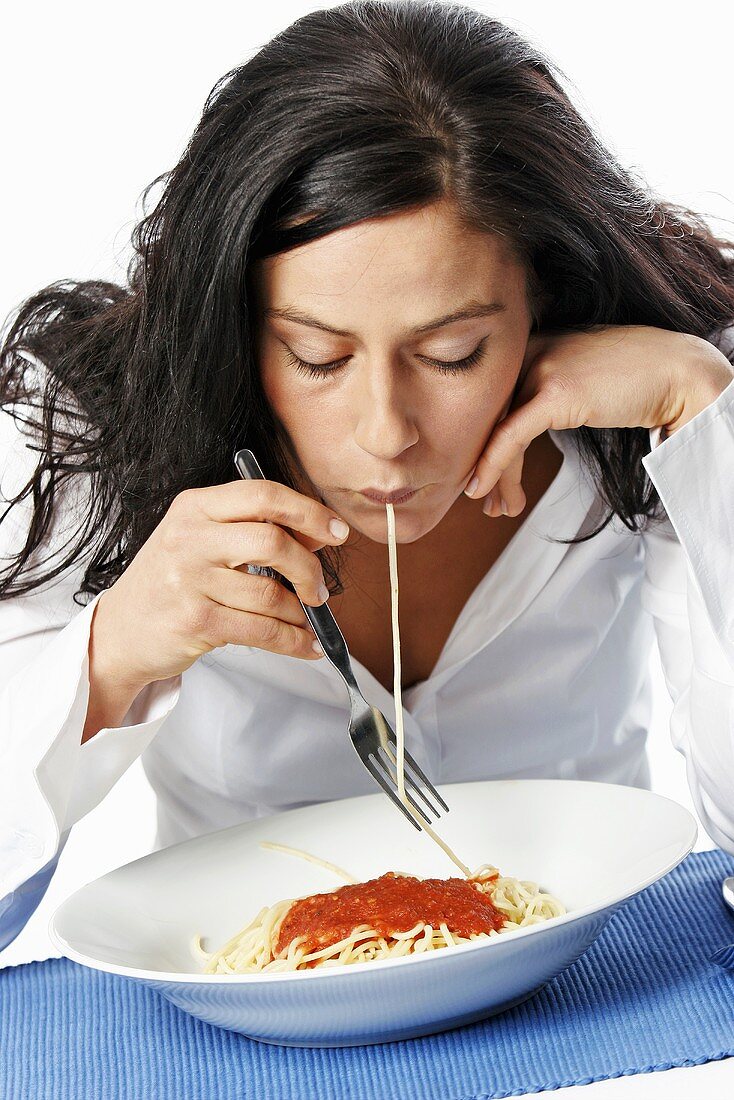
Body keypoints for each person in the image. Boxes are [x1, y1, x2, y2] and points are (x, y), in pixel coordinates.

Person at [1, 0, 733, 953]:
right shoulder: (100, 426)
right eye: (316, 357)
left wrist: (708, 430)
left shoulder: (661, 398)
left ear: (543, 293)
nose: (387, 435)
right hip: (240, 1028)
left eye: (456, 353)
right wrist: (110, 655)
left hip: (605, 985)